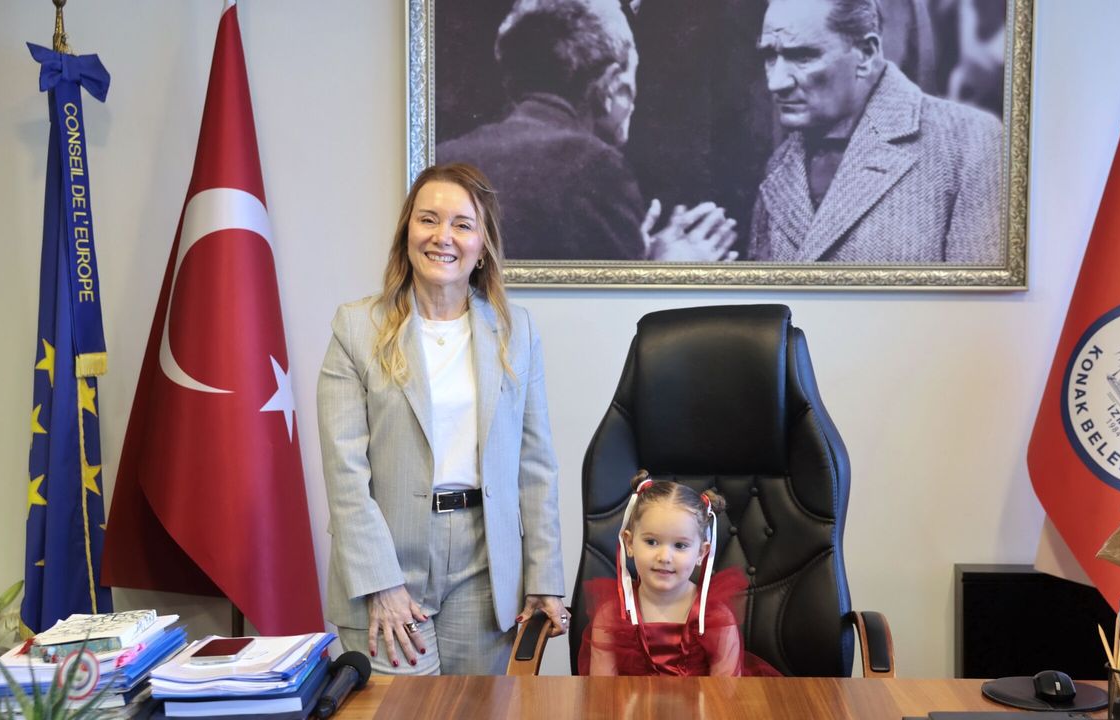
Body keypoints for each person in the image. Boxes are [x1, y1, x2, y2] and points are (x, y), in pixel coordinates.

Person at [317, 163, 567, 675]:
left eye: (462, 224)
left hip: (484, 567)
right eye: (428, 219)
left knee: (478, 709)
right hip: (388, 561)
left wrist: (544, 576)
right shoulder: (356, 328)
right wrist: (382, 584)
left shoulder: (515, 331)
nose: (442, 236)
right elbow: (345, 475)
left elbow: (535, 464)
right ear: (407, 231)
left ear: (482, 245)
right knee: (401, 711)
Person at [437, 0, 737, 262]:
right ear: (612, 86)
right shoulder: (595, 167)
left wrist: (633, 252)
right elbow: (601, 303)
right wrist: (664, 268)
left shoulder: (443, 160)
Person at [749, 0, 1003, 265]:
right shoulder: (781, 165)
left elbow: (977, 289)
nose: (776, 82)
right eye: (770, 56)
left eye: (802, 56)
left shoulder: (969, 142)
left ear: (866, 54)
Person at [579, 471, 777, 676]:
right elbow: (603, 690)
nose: (665, 557)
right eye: (651, 542)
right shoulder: (612, 616)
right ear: (629, 543)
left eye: (680, 545)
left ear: (701, 552)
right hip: (626, 699)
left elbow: (725, 691)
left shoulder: (715, 617)